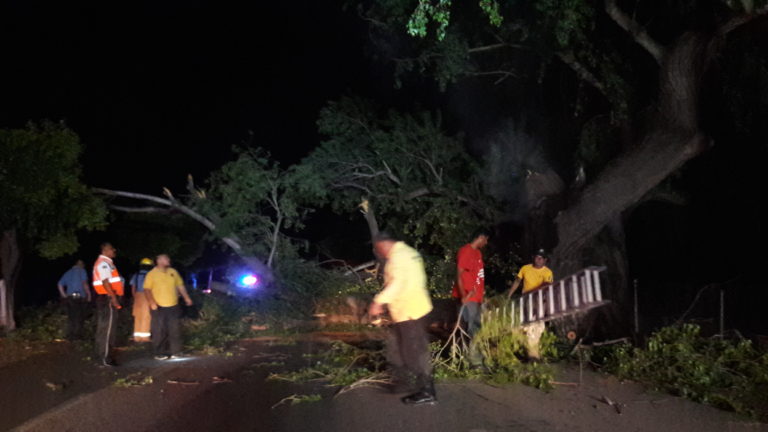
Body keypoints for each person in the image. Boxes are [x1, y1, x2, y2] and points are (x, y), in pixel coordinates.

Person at [368, 233, 436, 406]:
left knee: (414, 352)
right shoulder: (409, 252)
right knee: (398, 347)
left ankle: (427, 391)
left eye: (378, 249)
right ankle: (403, 382)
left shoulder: (398, 257)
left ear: (383, 244)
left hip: (409, 312)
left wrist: (378, 301)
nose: (379, 252)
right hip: (411, 309)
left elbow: (397, 284)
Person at [451, 229, 490, 368]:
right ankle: (475, 362)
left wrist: (482, 295)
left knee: (478, 328)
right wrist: (463, 296)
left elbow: (477, 276)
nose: (486, 243)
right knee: (473, 329)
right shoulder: (465, 251)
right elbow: (459, 275)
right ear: (481, 237)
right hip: (469, 298)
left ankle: (476, 358)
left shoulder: (477, 253)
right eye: (486, 239)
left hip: (477, 297)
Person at [143, 254, 193, 360]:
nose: (169, 260)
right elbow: (147, 290)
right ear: (159, 260)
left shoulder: (173, 272)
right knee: (159, 331)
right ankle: (159, 353)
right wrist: (152, 303)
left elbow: (180, 286)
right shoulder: (152, 274)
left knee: (175, 330)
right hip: (158, 306)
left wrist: (186, 297)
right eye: (166, 258)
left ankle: (176, 352)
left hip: (173, 305)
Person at [508, 248, 554, 359]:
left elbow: (547, 286)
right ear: (533, 258)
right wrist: (509, 295)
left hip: (538, 301)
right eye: (537, 257)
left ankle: (533, 355)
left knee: (536, 326)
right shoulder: (525, 268)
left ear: (545, 260)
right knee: (521, 324)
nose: (539, 260)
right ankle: (520, 350)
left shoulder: (547, 272)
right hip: (525, 300)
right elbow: (517, 281)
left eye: (541, 258)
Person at [92, 243, 124, 366]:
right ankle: (105, 358)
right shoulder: (104, 263)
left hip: (106, 298)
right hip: (108, 299)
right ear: (105, 250)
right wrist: (113, 298)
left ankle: (100, 355)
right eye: (111, 248)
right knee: (108, 329)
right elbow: (105, 282)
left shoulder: (106, 263)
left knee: (104, 328)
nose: (114, 250)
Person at [57, 259, 91, 340]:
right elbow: (85, 283)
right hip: (79, 298)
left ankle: (70, 336)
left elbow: (59, 284)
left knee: (71, 317)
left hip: (70, 297)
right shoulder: (82, 271)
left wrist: (64, 295)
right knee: (80, 317)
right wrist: (89, 294)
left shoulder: (68, 272)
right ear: (81, 264)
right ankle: (78, 337)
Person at [130, 258, 154, 342]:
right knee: (146, 316)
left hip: (137, 296)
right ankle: (145, 337)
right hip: (147, 296)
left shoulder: (136, 275)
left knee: (138, 316)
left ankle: (137, 337)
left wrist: (135, 297)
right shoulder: (151, 275)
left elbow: (133, 288)